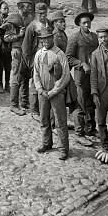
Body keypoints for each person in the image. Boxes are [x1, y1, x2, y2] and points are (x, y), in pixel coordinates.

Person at [32, 28, 71, 157]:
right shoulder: (38, 54)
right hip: (43, 93)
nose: (46, 41)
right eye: (43, 39)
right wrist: (40, 89)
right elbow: (36, 74)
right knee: (44, 119)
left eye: (48, 38)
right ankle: (46, 143)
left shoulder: (59, 54)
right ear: (41, 40)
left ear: (52, 38)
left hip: (57, 93)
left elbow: (65, 75)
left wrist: (54, 91)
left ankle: (63, 148)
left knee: (60, 121)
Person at [67, 11, 99, 138]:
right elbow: (68, 57)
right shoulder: (74, 38)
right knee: (80, 103)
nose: (87, 25)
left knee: (91, 102)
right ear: (79, 24)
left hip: (93, 75)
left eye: (88, 22)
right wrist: (81, 63)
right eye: (84, 23)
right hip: (80, 76)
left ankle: (90, 128)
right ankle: (79, 132)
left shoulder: (95, 37)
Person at [7, 0, 34, 115]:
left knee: (25, 76)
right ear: (20, 6)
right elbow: (7, 37)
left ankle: (24, 101)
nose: (29, 8)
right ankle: (14, 105)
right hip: (17, 50)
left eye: (30, 6)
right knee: (16, 77)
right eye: (27, 6)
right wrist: (19, 35)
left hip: (27, 51)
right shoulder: (13, 19)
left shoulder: (30, 18)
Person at [0, 0, 12, 95]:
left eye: (7, 8)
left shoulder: (11, 18)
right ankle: (0, 83)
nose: (6, 10)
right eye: (4, 8)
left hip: (8, 45)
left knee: (8, 66)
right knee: (0, 66)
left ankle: (7, 83)